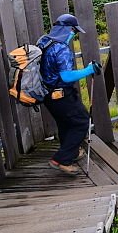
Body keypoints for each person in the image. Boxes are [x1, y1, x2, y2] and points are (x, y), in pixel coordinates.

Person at [38, 13, 101, 175]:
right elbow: (66, 76)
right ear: (68, 29)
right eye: (74, 31)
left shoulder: (44, 41)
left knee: (65, 123)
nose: (74, 35)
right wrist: (89, 70)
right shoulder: (61, 48)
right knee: (81, 122)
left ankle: (71, 153)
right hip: (61, 94)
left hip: (47, 95)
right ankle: (61, 159)